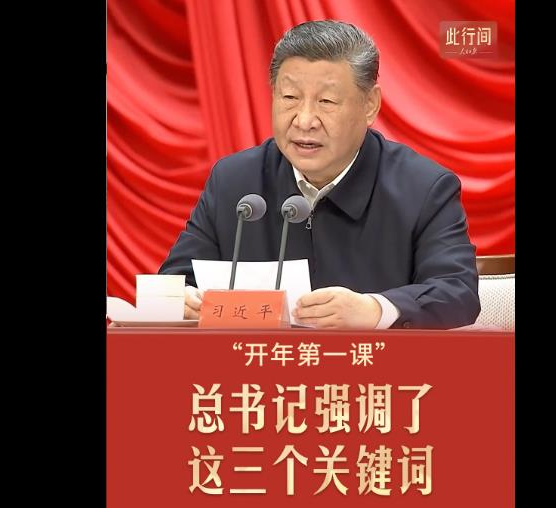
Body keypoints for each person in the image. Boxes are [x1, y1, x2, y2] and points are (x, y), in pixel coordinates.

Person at [159, 20, 479, 329]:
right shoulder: (234, 181)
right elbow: (173, 281)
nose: (304, 120)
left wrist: (375, 310)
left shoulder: (422, 188)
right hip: (260, 364)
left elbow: (457, 292)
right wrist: (179, 299)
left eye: (326, 101)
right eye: (290, 98)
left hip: (371, 365)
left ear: (370, 105)